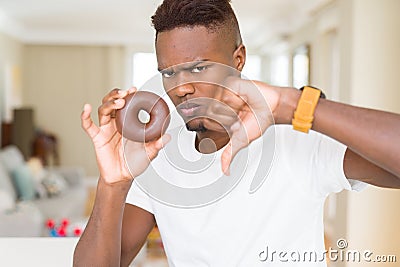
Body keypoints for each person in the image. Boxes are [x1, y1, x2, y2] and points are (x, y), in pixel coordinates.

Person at [73, 0, 400, 266]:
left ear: (238, 58)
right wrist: (113, 184)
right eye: (168, 73)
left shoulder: (297, 139)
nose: (181, 87)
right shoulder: (159, 155)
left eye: (199, 67)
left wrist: (291, 103)